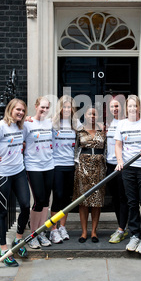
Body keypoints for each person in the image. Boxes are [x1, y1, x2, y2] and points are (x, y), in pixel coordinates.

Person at [0, 99, 30, 267]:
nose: (21, 113)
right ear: (10, 109)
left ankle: (18, 242)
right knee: (2, 212)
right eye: (18, 110)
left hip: (19, 172)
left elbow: (23, 141)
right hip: (3, 175)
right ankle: (4, 249)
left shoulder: (21, 126)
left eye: (23, 111)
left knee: (25, 206)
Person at [115, 95, 141, 254]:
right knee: (132, 202)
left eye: (135, 106)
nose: (132, 109)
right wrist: (120, 161)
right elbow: (118, 145)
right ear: (126, 109)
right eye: (130, 106)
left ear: (139, 107)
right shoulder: (122, 124)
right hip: (128, 168)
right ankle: (134, 234)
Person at [23, 96, 54, 249]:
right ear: (36, 106)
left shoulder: (50, 123)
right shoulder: (27, 124)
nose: (44, 110)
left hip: (49, 165)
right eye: (42, 107)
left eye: (47, 107)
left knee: (46, 201)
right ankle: (32, 233)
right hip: (33, 166)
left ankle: (41, 231)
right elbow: (17, 141)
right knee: (38, 200)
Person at [72, 105, 106, 243]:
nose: (92, 116)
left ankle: (94, 232)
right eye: (89, 114)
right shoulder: (79, 131)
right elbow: (74, 149)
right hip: (83, 167)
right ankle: (84, 232)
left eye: (94, 114)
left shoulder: (103, 130)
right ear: (85, 116)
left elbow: (107, 149)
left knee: (97, 201)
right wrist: (76, 165)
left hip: (99, 168)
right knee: (83, 201)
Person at [50, 95, 79, 243]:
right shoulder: (53, 124)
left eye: (69, 107)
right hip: (56, 165)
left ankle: (62, 227)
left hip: (70, 165)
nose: (67, 109)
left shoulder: (76, 124)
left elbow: (87, 135)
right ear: (60, 108)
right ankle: (53, 229)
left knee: (67, 198)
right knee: (58, 196)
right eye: (64, 107)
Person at [105, 95, 129, 244]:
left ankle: (122, 228)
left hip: (124, 165)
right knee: (114, 197)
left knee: (123, 197)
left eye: (117, 106)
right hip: (110, 164)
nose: (115, 109)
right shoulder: (107, 123)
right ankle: (122, 226)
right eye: (112, 106)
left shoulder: (127, 123)